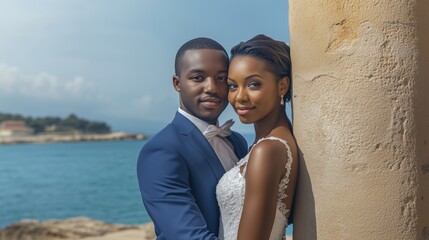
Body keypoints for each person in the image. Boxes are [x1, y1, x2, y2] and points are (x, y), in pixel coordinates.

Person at [137, 37, 248, 240]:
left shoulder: (237, 141)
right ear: (177, 83)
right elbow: (187, 236)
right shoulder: (162, 150)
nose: (212, 88)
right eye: (198, 78)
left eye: (221, 78)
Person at [216, 34, 298, 240]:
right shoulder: (266, 145)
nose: (239, 97)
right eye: (233, 86)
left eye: (254, 84)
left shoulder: (268, 150)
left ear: (283, 86)